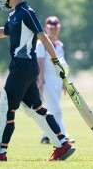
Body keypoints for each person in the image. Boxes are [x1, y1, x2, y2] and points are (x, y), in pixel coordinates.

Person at [0, 0, 75, 162]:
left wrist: (56, 61)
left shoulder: (27, 12)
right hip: (23, 67)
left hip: (23, 66)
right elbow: (5, 32)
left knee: (5, 106)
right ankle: (62, 145)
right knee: (34, 109)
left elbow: (43, 37)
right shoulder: (13, 14)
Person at [37, 16, 74, 145]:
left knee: (51, 109)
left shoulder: (60, 45)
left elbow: (61, 65)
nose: (53, 31)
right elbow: (40, 63)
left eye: (55, 28)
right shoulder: (41, 43)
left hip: (58, 80)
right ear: (46, 28)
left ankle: (46, 136)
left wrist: (64, 81)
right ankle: (64, 135)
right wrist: (40, 81)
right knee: (56, 109)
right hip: (46, 80)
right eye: (50, 28)